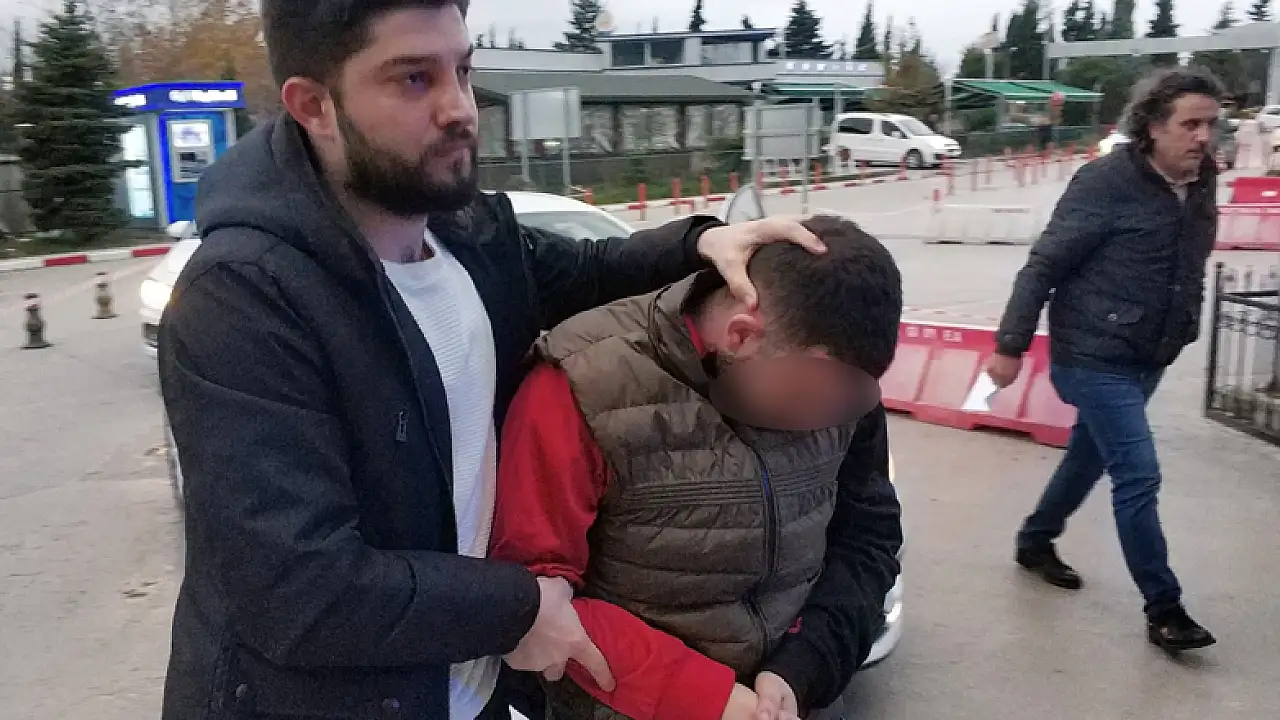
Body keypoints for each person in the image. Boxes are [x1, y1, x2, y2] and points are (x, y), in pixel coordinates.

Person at [157, 1, 825, 718]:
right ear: (314, 106)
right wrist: (521, 608)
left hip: (471, 698)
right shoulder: (244, 297)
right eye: (414, 79)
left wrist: (701, 242)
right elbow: (297, 589)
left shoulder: (469, 236)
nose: (460, 109)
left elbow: (591, 270)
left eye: (464, 72)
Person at [490, 215, 905, 720]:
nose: (819, 423)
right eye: (803, 402)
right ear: (742, 335)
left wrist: (804, 668)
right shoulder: (582, 384)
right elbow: (535, 599)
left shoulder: (838, 388)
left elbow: (868, 538)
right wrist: (707, 699)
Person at [987, 68, 1222, 653]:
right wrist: (1010, 345)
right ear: (1152, 126)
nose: (1203, 137)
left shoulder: (1203, 181)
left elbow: (1189, 261)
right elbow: (1044, 265)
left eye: (1210, 124)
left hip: (1152, 351)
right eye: (1190, 124)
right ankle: (1164, 607)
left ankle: (1035, 540)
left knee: (1089, 456)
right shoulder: (1105, 182)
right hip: (1092, 355)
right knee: (1138, 473)